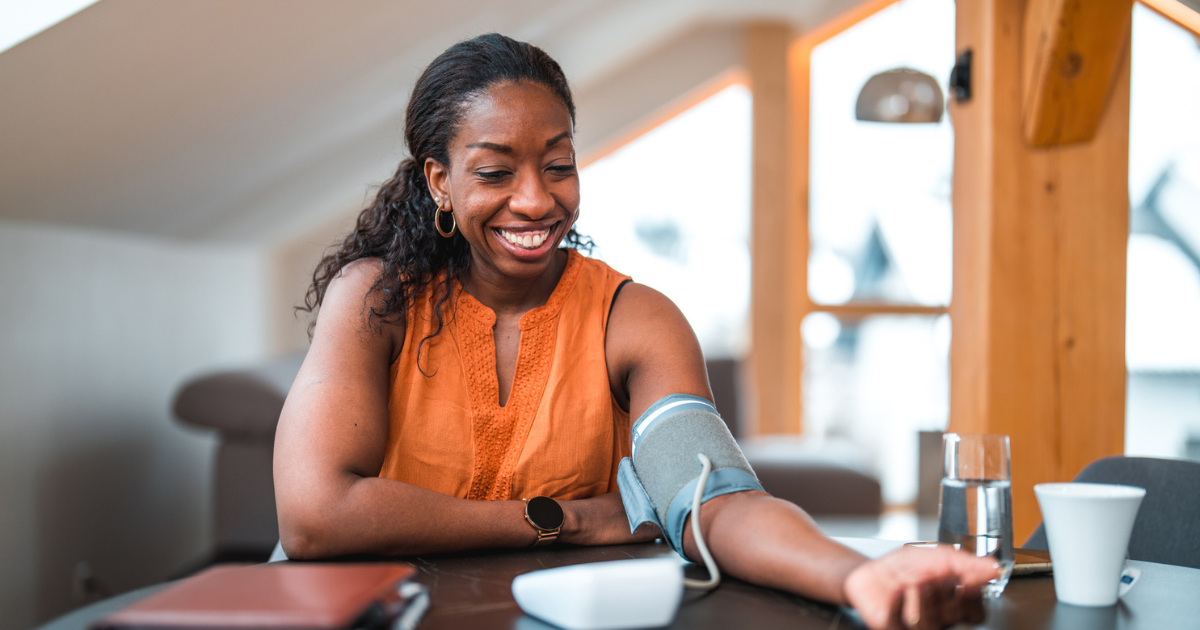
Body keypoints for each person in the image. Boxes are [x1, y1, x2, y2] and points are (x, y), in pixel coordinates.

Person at [273, 33, 996, 630]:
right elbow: (316, 517)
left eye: (558, 165)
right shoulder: (376, 298)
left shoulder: (633, 319)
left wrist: (860, 577)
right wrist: (562, 522)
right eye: (495, 172)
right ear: (439, 180)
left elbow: (718, 502)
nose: (536, 199)